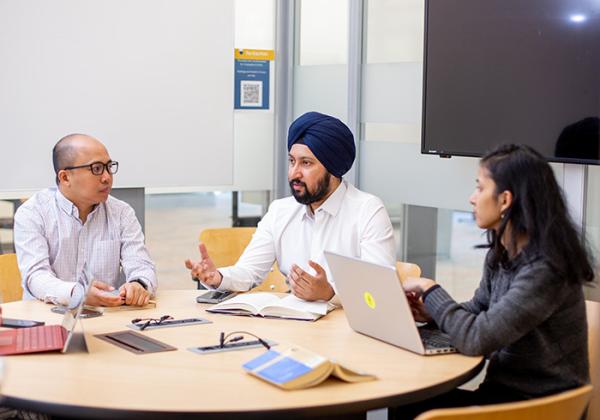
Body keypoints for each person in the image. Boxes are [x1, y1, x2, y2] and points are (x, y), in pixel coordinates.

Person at [398, 144, 593, 418]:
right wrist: (434, 312)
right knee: (405, 403)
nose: (472, 198)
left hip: (538, 408)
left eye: (479, 188)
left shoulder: (547, 269)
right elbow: (479, 310)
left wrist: (430, 289)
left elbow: (476, 338)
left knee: (410, 407)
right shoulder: (502, 253)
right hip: (503, 395)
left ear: (505, 200)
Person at [185, 112, 396, 301]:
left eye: (306, 163)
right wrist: (217, 277)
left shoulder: (367, 211)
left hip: (349, 333)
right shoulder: (280, 211)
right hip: (294, 328)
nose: (294, 173)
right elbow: (249, 272)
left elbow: (380, 292)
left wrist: (330, 293)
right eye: (291, 161)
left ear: (332, 169)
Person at [14, 134, 156, 308]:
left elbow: (141, 264)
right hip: (47, 318)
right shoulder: (33, 213)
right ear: (65, 177)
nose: (107, 177)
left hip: (105, 319)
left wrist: (138, 284)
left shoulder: (121, 212)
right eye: (96, 169)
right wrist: (76, 293)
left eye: (109, 167)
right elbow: (36, 277)